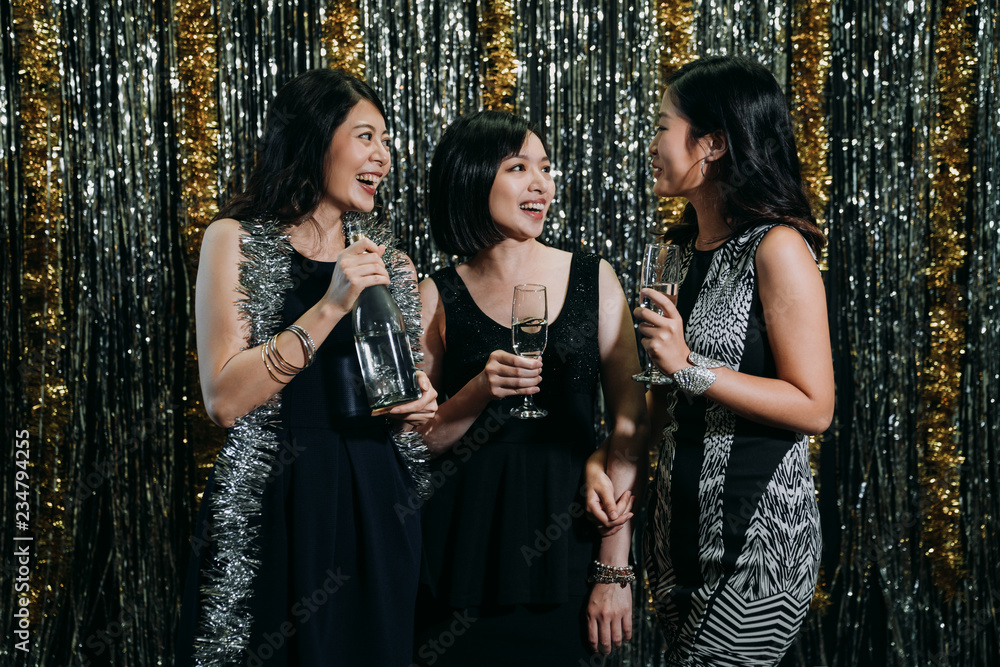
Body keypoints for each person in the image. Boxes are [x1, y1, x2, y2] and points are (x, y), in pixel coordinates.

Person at [175, 69, 438, 666]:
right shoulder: (234, 240)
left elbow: (392, 392)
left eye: (387, 141)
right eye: (366, 136)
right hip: (277, 497)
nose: (384, 157)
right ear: (316, 139)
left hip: (375, 499)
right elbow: (224, 399)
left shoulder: (390, 262)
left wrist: (415, 403)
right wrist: (331, 304)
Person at [586, 55, 835, 666]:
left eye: (662, 126)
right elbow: (652, 408)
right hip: (673, 540)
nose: (650, 143)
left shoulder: (778, 248)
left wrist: (691, 366)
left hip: (756, 541)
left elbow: (815, 406)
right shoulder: (674, 255)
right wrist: (613, 546)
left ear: (714, 144)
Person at [412, 110, 649, 665]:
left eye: (544, 168)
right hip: (459, 551)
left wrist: (613, 568)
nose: (541, 183)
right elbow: (417, 442)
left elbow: (631, 425)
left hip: (566, 541)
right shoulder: (435, 293)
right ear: (472, 177)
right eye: (519, 168)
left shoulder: (596, 278)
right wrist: (478, 391)